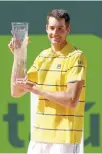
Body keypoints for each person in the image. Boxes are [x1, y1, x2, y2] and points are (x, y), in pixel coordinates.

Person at [8, 9, 87, 154]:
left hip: (65, 140)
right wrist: (18, 56)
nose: (55, 33)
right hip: (39, 138)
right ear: (46, 29)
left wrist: (37, 90)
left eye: (60, 29)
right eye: (52, 28)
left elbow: (71, 100)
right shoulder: (42, 56)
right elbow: (16, 91)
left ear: (67, 30)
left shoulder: (77, 56)